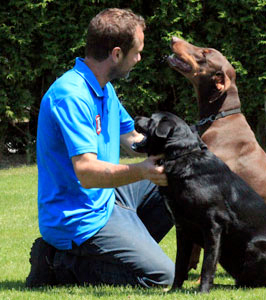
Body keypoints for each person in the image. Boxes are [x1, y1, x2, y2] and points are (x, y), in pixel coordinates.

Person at [26, 8, 175, 288]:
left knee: (176, 178)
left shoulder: (103, 87)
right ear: (117, 54)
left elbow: (132, 138)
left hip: (105, 198)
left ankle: (123, 248)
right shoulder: (70, 95)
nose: (140, 58)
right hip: (77, 218)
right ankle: (57, 263)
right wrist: (142, 171)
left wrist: (175, 149)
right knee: (161, 277)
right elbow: (87, 172)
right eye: (137, 52)